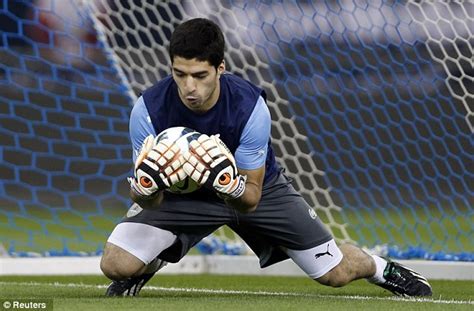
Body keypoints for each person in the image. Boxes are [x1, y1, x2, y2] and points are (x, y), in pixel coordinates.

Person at [100, 18, 432, 297]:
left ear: (220, 68)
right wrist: (146, 189)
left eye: (200, 76)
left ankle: (379, 267)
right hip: (183, 197)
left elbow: (251, 198)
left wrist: (223, 181)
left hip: (255, 191)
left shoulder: (249, 108)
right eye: (180, 74)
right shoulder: (148, 110)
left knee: (334, 273)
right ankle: (155, 258)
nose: (189, 87)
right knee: (115, 265)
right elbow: (148, 196)